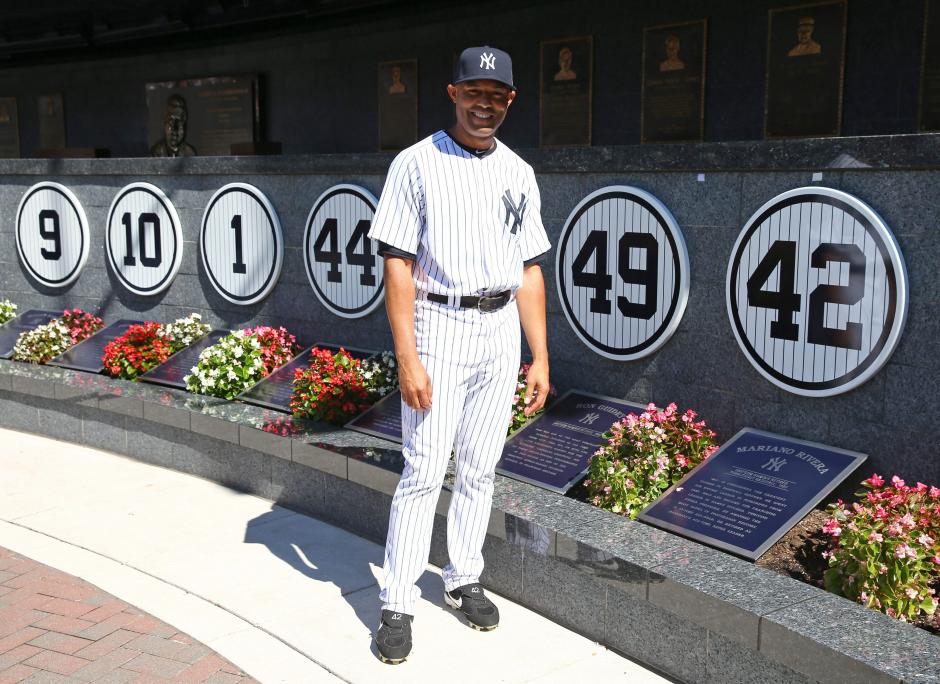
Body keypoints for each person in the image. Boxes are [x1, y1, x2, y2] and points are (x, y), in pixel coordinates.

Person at [367, 45, 551, 665]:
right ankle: (397, 600)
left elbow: (529, 270)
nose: (485, 103)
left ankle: (462, 575)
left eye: (496, 95)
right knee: (423, 470)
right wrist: (407, 356)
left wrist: (540, 357)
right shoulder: (415, 163)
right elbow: (397, 263)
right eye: (475, 91)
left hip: (498, 328)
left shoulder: (518, 171)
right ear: (453, 92)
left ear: (510, 101)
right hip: (438, 321)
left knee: (479, 467)